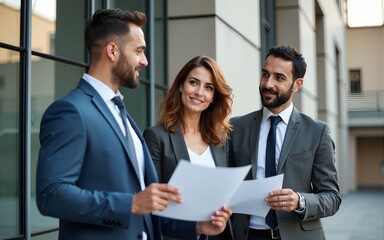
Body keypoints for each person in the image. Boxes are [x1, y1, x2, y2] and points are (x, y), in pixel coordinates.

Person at [36, 9, 184, 240]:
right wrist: (131, 203)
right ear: (112, 51)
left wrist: (195, 227)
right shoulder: (70, 111)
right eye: (139, 51)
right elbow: (52, 195)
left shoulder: (121, 112)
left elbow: (145, 212)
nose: (145, 61)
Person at [229, 45, 342, 240]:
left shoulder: (317, 131)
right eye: (265, 74)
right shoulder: (236, 127)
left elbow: (331, 198)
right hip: (246, 235)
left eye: (279, 78)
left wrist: (300, 201)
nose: (268, 84)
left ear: (297, 84)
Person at [143, 55, 234, 240]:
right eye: (194, 82)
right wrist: (197, 227)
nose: (199, 92)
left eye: (208, 88)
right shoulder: (156, 137)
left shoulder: (220, 141)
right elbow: (150, 204)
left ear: (213, 97)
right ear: (181, 86)